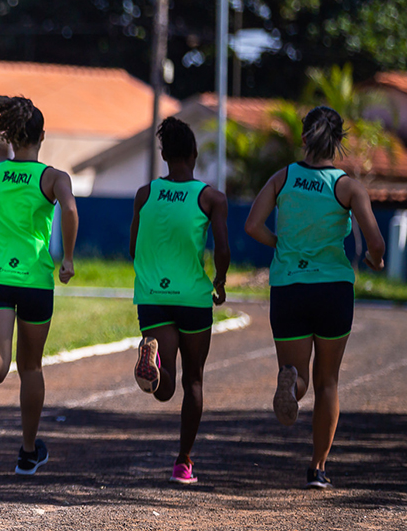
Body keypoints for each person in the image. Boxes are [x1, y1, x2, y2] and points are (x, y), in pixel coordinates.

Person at [245, 105, 385, 489]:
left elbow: (252, 225)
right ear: (337, 143)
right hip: (332, 290)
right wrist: (375, 259)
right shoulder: (348, 187)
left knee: (301, 377)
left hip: (289, 286)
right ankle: (318, 468)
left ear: (303, 139)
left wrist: (283, 246)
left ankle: (290, 381)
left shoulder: (282, 177)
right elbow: (375, 241)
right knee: (329, 382)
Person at [0, 95, 78, 475]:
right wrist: (69, 258)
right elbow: (71, 209)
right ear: (42, 135)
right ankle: (28, 452)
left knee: (4, 358)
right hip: (34, 282)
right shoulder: (53, 177)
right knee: (31, 368)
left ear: (9, 135)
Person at [128, 116, 229, 484]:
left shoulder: (145, 194)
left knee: (164, 386)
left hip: (153, 296)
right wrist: (219, 281)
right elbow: (222, 249)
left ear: (164, 155)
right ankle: (183, 462)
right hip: (192, 298)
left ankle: (153, 362)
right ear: (194, 153)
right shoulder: (211, 197)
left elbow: (132, 247)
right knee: (195, 382)